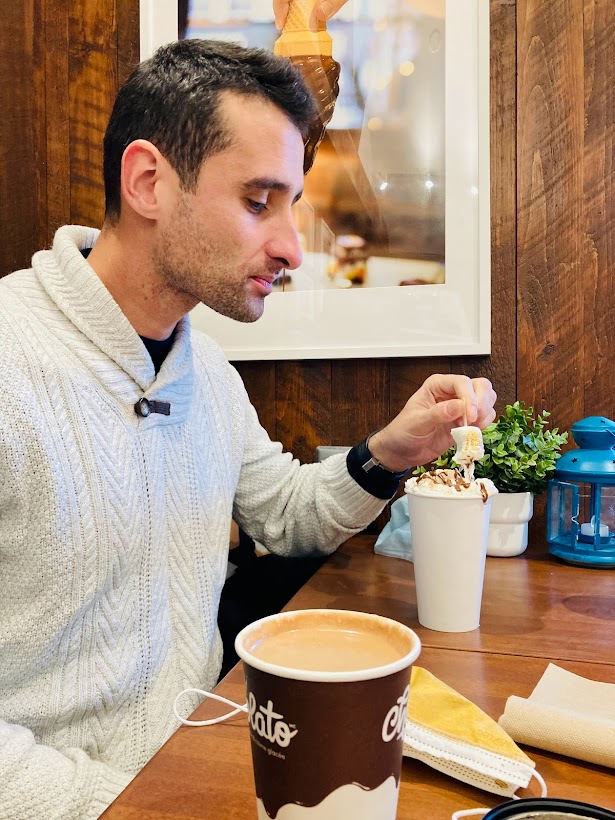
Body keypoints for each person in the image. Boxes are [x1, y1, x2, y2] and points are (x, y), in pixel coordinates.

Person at [0, 38, 496, 819]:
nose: (292, 246)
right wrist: (130, 805)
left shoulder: (204, 370)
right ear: (148, 181)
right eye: (259, 201)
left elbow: (288, 514)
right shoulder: (12, 358)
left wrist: (392, 450)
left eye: (290, 204)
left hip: (217, 763)